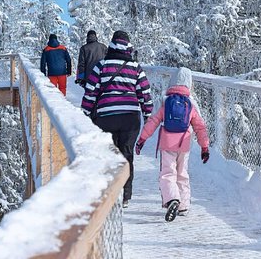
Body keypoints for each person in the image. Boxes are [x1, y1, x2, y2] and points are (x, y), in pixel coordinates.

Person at [81, 30, 153, 208]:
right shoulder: (135, 67)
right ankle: (125, 195)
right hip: (130, 118)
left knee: (109, 155)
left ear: (111, 45)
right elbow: (145, 92)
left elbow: (91, 91)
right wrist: (147, 113)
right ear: (128, 46)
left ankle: (111, 192)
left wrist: (85, 112)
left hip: (106, 116)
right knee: (126, 154)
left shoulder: (101, 65)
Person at [135, 67, 210, 222]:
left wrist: (142, 139)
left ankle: (172, 199)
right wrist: (204, 147)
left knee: (168, 173)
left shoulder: (164, 101)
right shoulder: (191, 103)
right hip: (184, 144)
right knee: (182, 173)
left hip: (167, 143)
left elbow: (153, 121)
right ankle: (183, 206)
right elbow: (200, 126)